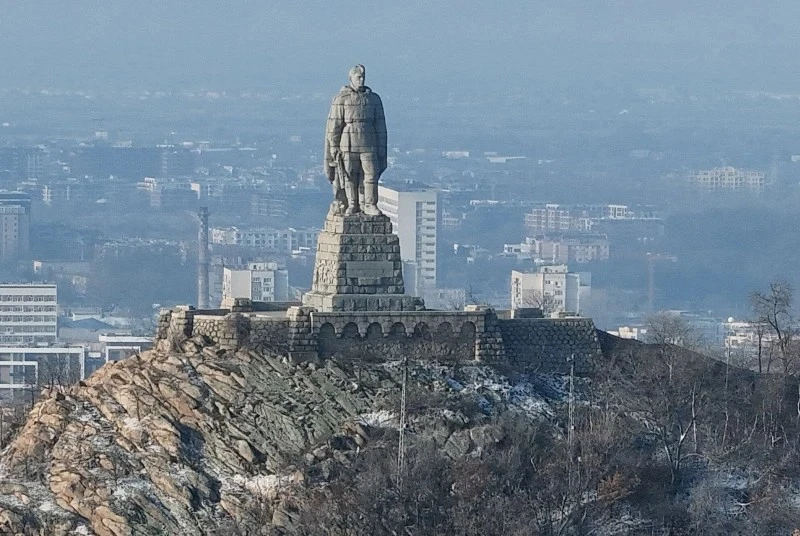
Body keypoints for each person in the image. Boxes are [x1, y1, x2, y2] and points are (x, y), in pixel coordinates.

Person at [324, 64, 387, 216]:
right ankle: (352, 204)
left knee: (370, 174)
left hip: (369, 141)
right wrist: (334, 146)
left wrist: (382, 146)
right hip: (348, 141)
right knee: (349, 174)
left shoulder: (374, 99)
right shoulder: (341, 99)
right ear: (351, 78)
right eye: (358, 77)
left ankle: (370, 203)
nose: (361, 80)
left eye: (363, 77)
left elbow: (380, 124)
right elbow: (334, 125)